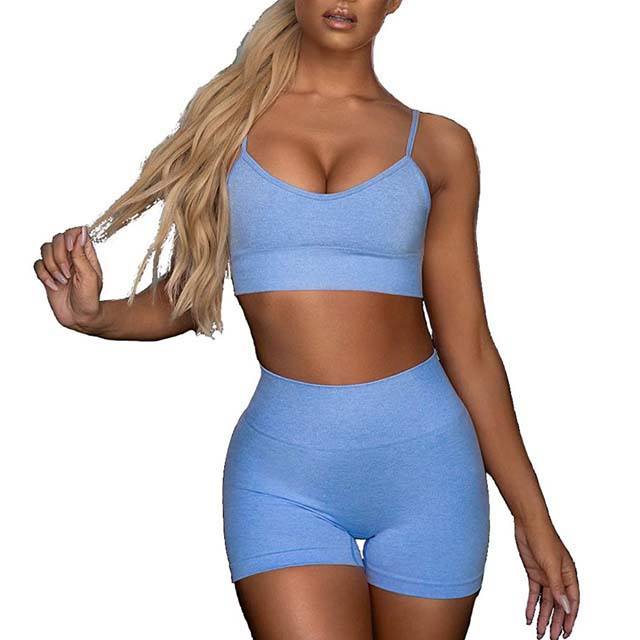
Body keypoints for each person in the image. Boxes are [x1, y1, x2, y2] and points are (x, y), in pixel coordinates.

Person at [32, 1, 580, 638]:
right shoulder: (227, 129)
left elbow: (470, 348)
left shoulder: (440, 146)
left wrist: (533, 517)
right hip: (284, 479)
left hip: (430, 470)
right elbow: (188, 294)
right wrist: (97, 317)